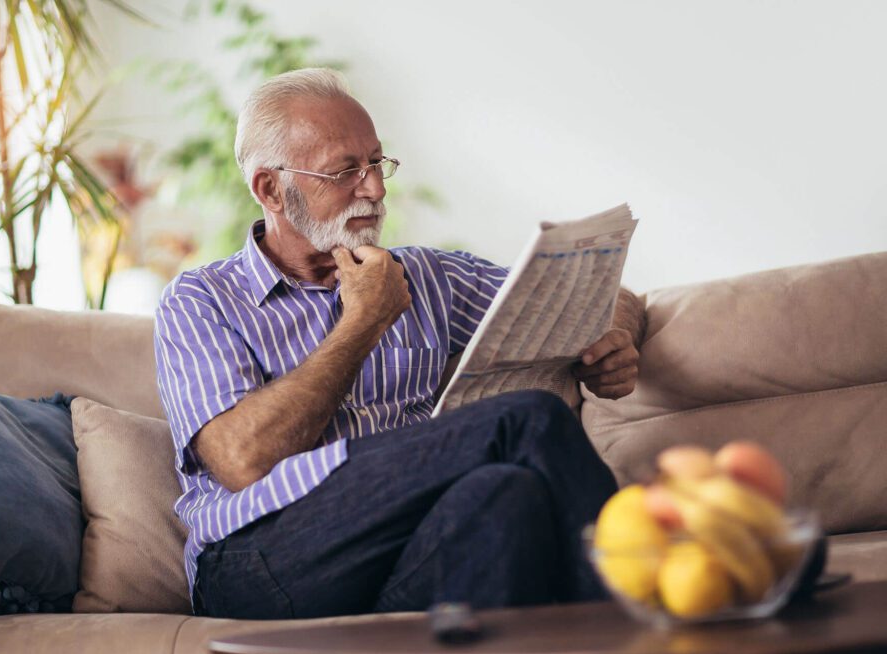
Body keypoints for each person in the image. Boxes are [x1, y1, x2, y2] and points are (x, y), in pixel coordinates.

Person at [154, 68, 644, 620]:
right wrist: (363, 322)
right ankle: (639, 637)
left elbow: (604, 292)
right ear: (270, 188)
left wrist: (613, 337)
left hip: (397, 545)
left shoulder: (427, 275)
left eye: (377, 163)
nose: (375, 189)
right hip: (259, 561)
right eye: (345, 171)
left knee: (508, 496)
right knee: (528, 420)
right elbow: (243, 461)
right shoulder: (200, 300)